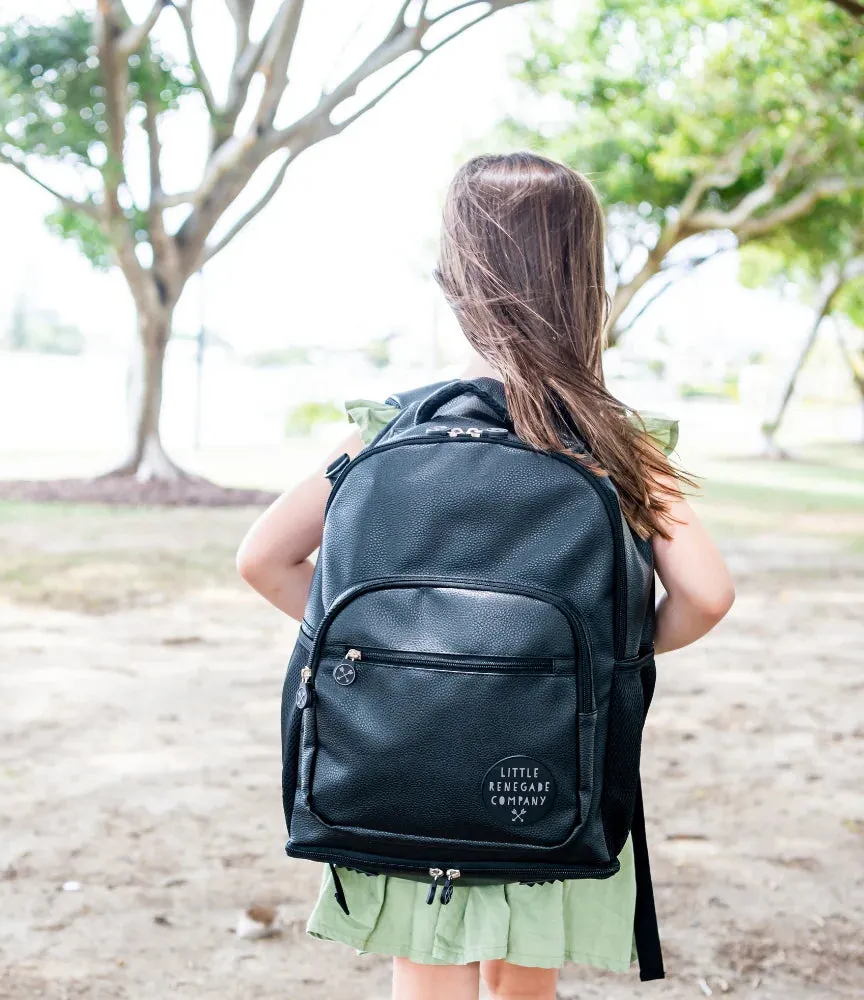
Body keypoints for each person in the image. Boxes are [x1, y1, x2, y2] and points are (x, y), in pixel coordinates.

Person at [236, 151, 735, 1000]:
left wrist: (388, 651)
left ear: (456, 276)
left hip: (403, 763)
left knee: (427, 978)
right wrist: (618, 646)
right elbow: (708, 594)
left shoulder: (390, 432)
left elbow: (262, 558)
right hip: (546, 766)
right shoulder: (615, 442)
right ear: (587, 281)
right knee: (522, 979)